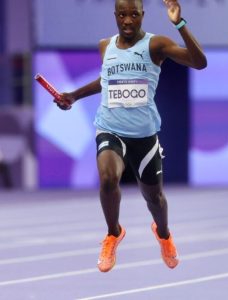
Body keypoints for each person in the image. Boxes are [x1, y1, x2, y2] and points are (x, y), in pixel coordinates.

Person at [53, 0, 207, 272]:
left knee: (155, 199)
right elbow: (106, 81)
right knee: (108, 178)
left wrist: (179, 24)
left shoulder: (155, 45)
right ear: (115, 15)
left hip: (144, 136)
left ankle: (164, 234)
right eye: (122, 15)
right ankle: (113, 233)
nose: (127, 21)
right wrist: (74, 96)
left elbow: (199, 62)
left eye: (133, 15)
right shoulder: (106, 46)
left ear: (142, 16)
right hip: (110, 127)